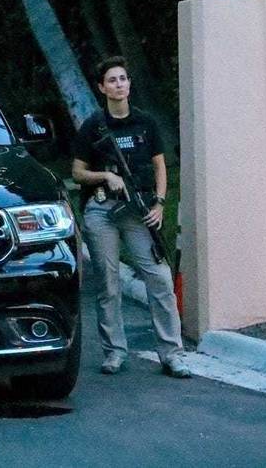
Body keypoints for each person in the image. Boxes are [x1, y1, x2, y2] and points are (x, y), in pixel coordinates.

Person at [71, 56, 191, 379]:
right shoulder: (93, 126)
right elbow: (77, 172)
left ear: (129, 84)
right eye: (112, 80)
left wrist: (160, 204)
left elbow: (160, 167)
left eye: (123, 78)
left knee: (160, 277)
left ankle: (172, 353)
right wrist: (105, 177)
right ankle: (114, 352)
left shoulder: (145, 123)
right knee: (108, 284)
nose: (119, 84)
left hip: (138, 210)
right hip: (102, 211)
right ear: (102, 88)